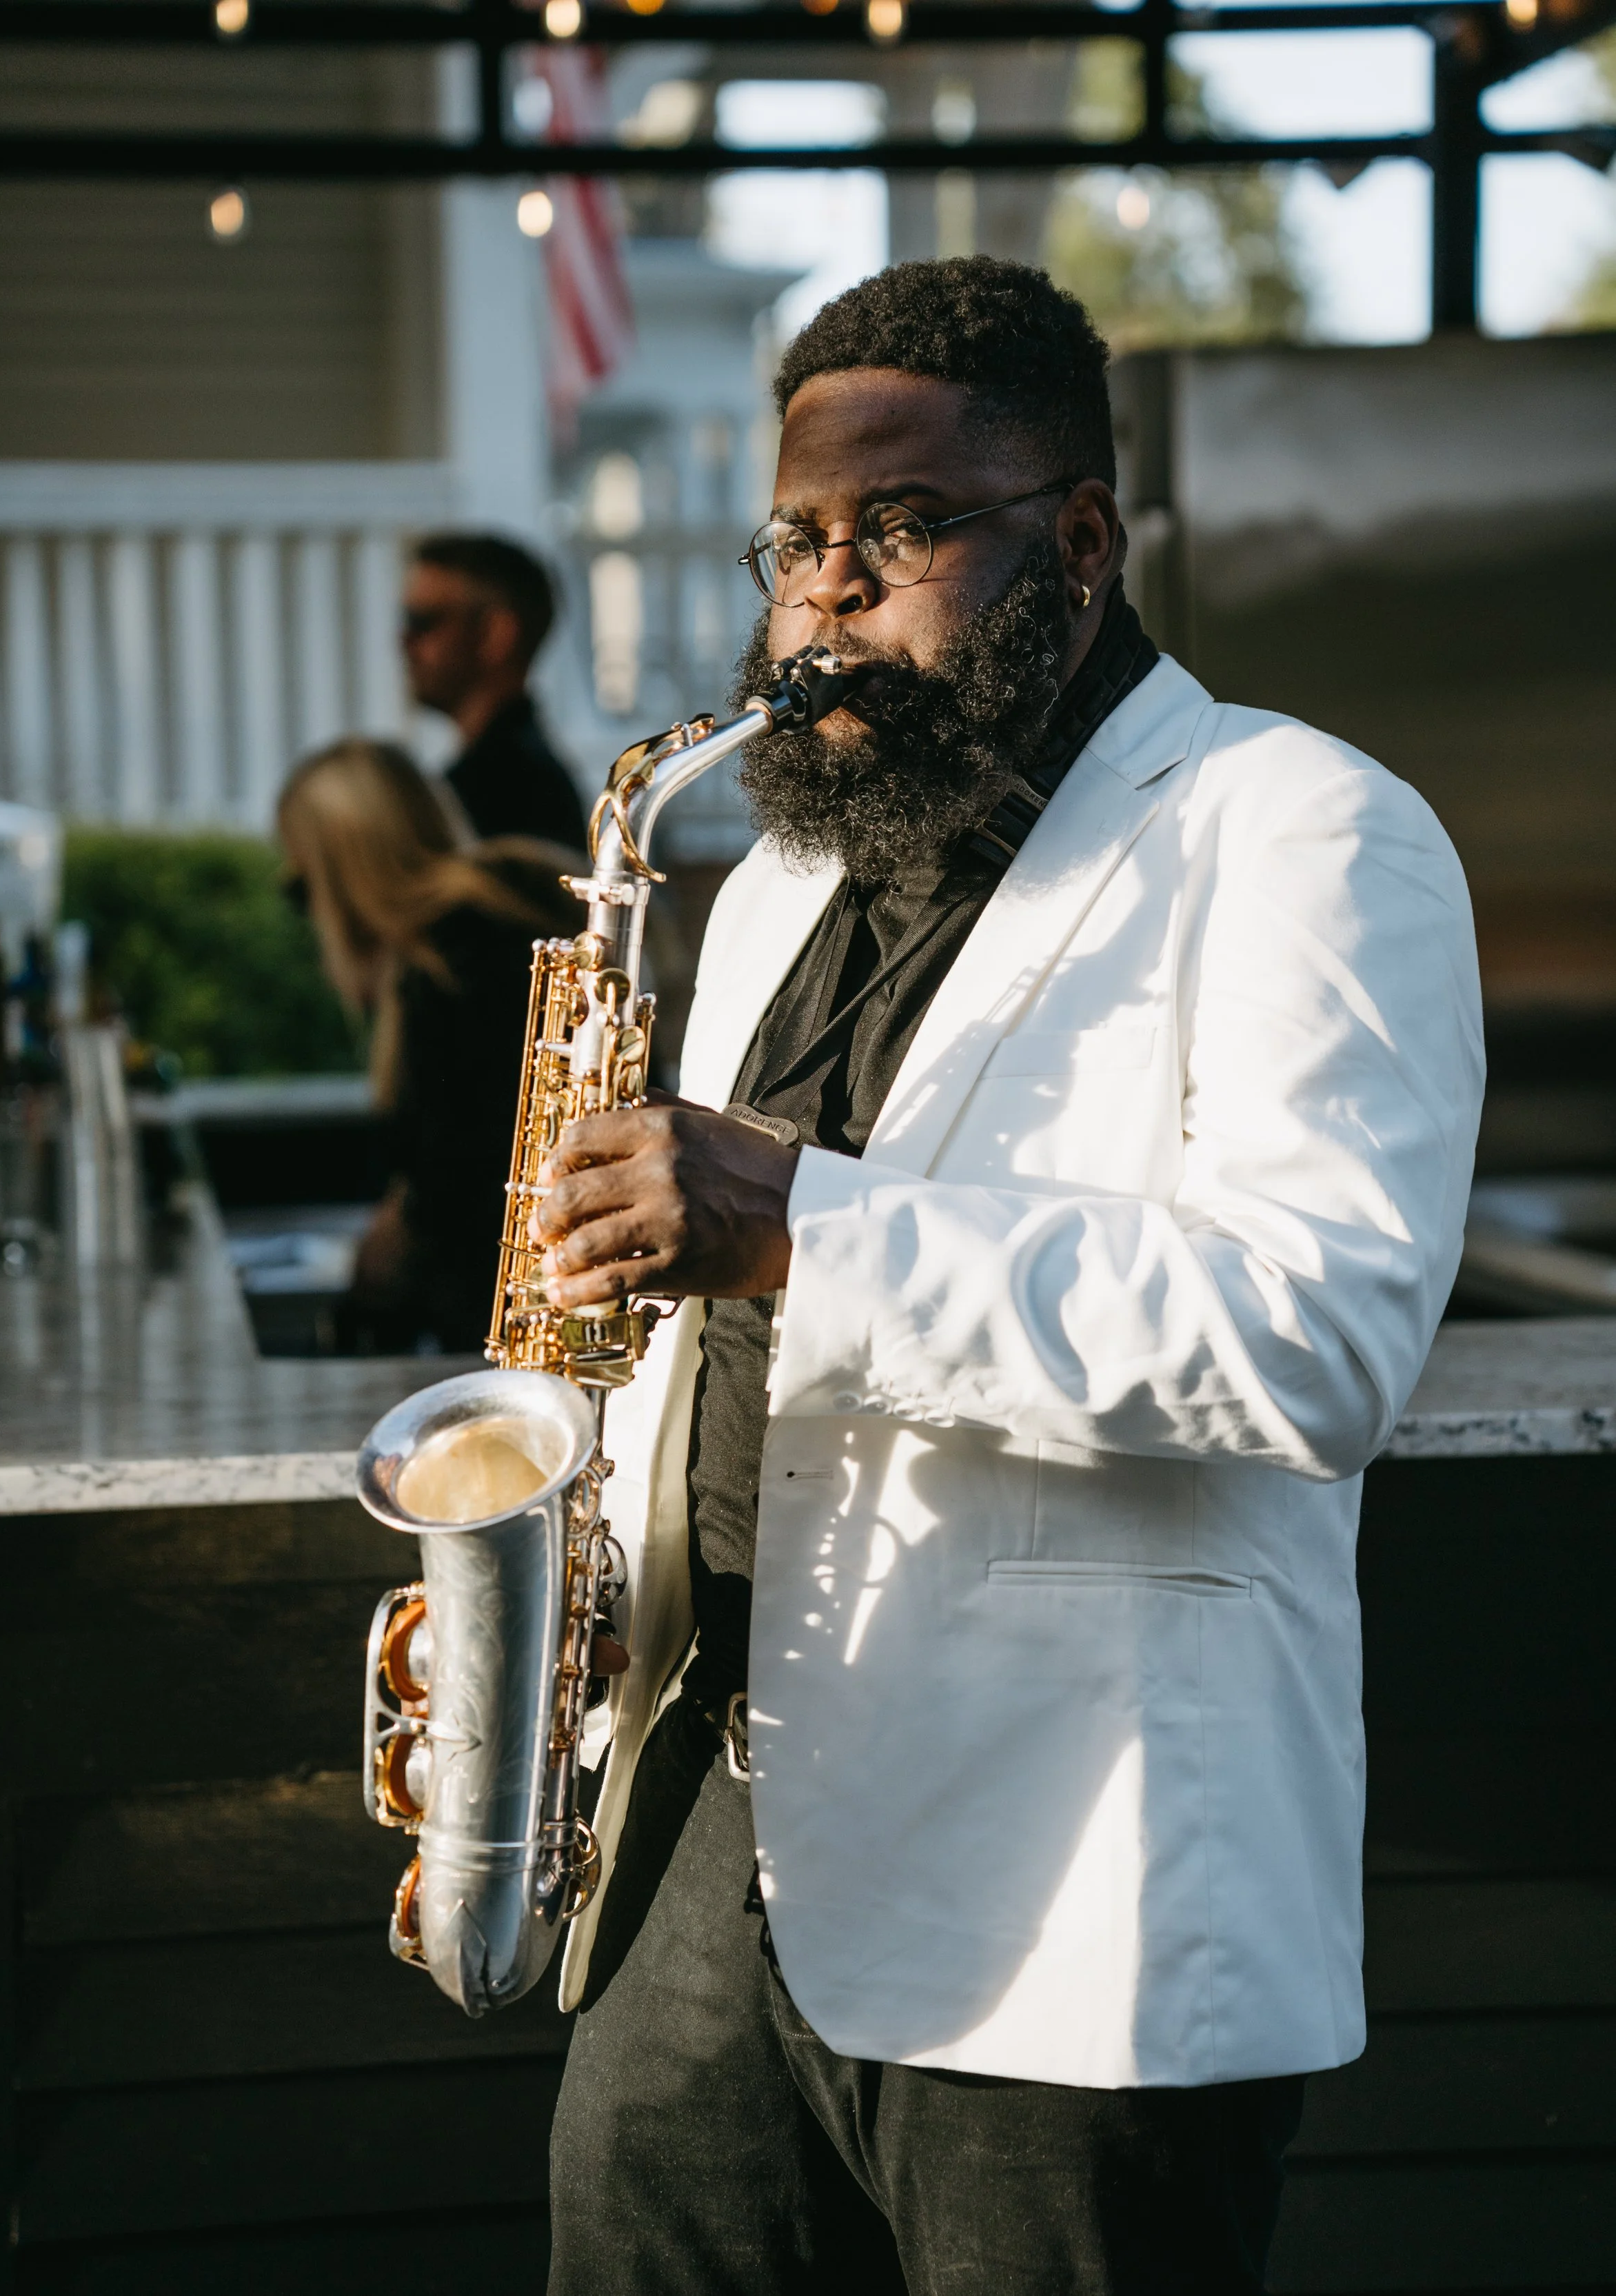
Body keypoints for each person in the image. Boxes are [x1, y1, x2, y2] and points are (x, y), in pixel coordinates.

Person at [532, 259, 1486, 2294]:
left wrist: (799, 1218)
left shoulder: (1301, 830)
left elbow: (1311, 1341)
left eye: (900, 530)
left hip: (1067, 1900)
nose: (826, 597)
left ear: (1075, 536)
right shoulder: (779, 869)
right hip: (697, 1846)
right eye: (795, 539)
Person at [276, 738, 576, 1351]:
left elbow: (464, 1175)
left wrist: (398, 1235)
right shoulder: (509, 909)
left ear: (344, 871)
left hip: (508, 1320)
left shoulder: (450, 967)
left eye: (302, 888)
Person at [401, 532, 589, 854]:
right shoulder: (522, 776)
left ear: (496, 635)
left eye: (423, 621)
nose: (405, 642)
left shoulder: (508, 791)